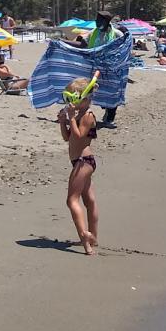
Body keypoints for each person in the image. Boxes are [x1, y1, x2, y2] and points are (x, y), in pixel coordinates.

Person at [57, 77, 99, 255]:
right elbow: (68, 137)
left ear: (85, 99)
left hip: (84, 162)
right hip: (79, 162)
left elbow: (80, 136)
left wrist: (72, 118)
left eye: (73, 99)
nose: (70, 103)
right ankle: (93, 237)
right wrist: (62, 121)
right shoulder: (79, 115)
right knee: (89, 200)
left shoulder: (88, 116)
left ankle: (85, 238)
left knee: (71, 200)